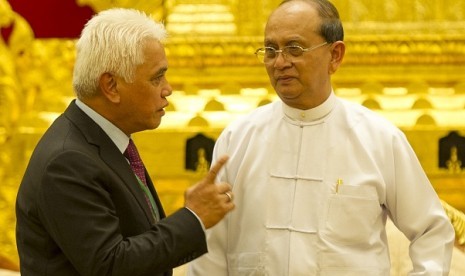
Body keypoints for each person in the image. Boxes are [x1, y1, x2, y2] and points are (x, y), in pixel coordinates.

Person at [188, 0, 455, 275]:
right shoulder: (238, 139)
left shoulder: (379, 139)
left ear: (335, 55)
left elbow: (431, 231)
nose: (280, 63)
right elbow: (211, 246)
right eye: (270, 50)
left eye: (294, 49)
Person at [15, 8, 235, 276]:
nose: (168, 89)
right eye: (157, 77)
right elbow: (111, 266)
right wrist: (193, 218)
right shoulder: (68, 161)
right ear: (111, 86)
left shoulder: (105, 139)